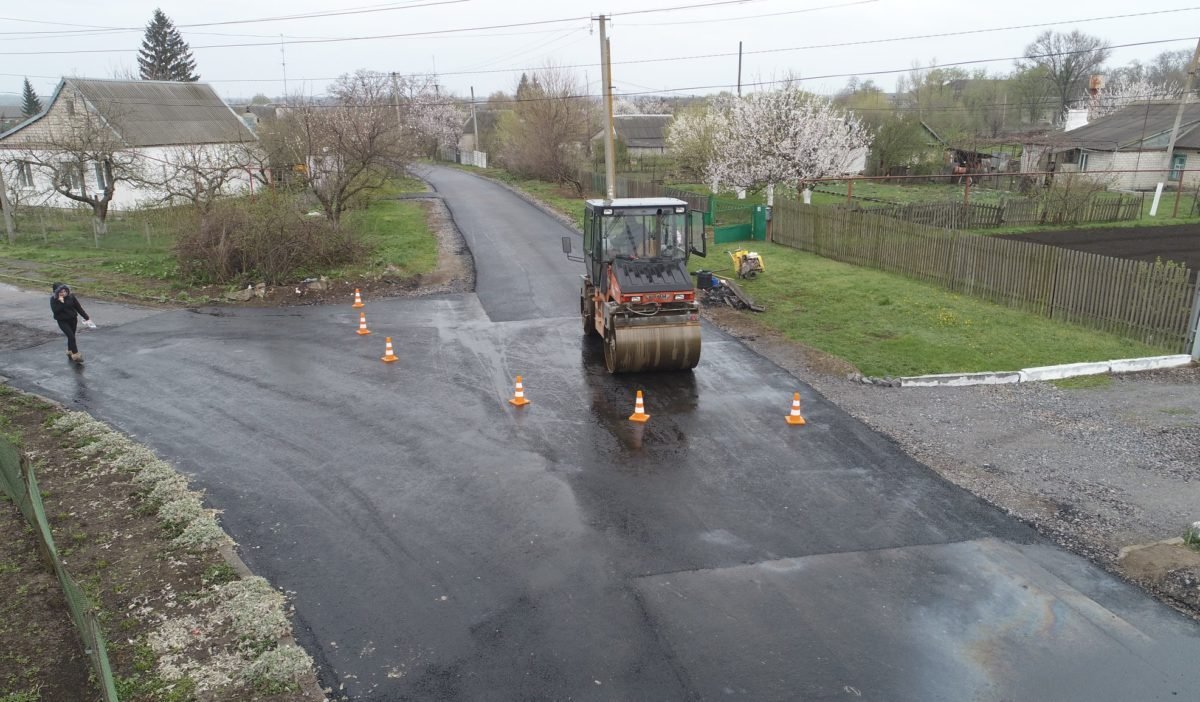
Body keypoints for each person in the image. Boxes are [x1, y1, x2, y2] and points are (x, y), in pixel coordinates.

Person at [50, 282, 94, 363]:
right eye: (61, 292)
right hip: (62, 321)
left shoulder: (71, 297)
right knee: (71, 337)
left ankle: (69, 351)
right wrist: (61, 302)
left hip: (73, 319)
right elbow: (55, 311)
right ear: (56, 292)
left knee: (72, 336)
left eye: (65, 291)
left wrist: (86, 317)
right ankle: (76, 355)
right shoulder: (53, 299)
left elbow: (78, 307)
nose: (63, 293)